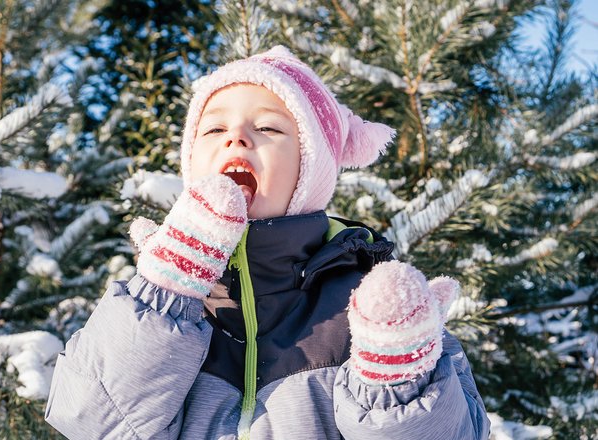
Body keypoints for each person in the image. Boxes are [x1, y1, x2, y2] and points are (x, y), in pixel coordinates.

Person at [44, 46, 490, 440]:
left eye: (270, 129)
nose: (237, 137)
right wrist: (165, 292)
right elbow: (92, 420)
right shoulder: (156, 305)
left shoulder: (365, 305)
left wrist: (394, 380)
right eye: (214, 130)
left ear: (310, 171)